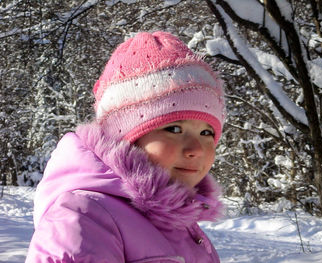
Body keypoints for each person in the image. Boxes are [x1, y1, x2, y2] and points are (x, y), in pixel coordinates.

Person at [26, 31, 226, 263]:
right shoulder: (85, 216)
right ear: (128, 138)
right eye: (174, 129)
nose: (197, 149)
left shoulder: (180, 225)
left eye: (206, 133)